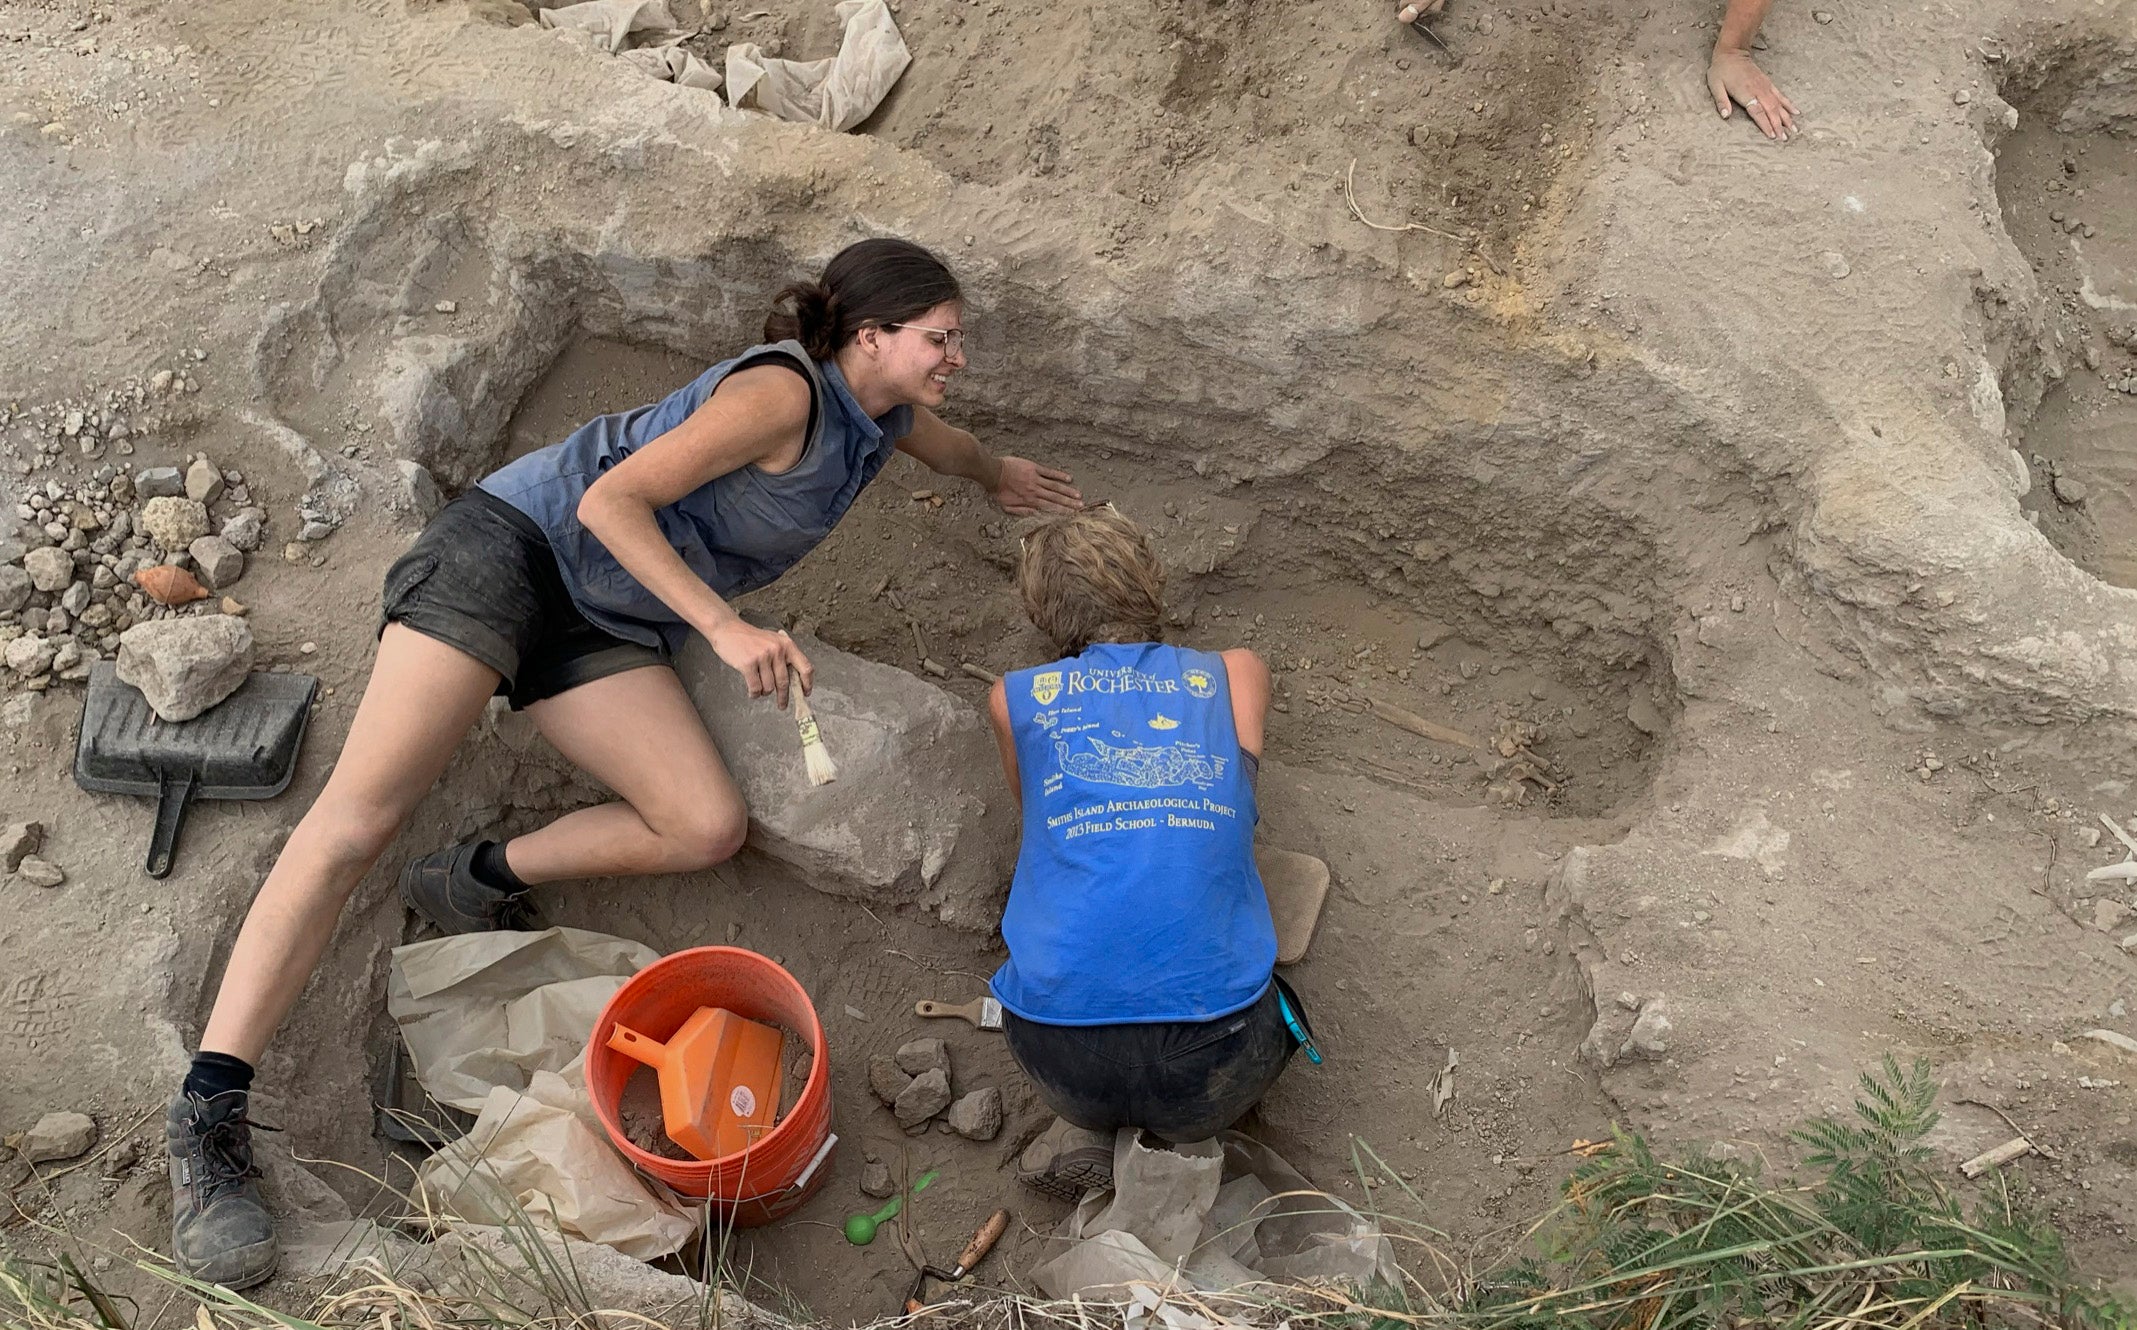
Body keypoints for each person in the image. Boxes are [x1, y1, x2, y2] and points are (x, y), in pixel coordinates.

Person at [163, 238, 1082, 1288]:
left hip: (601, 616)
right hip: (514, 549)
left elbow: (944, 442)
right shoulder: (782, 395)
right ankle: (207, 1114)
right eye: (942, 337)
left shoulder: (885, 418)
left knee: (703, 823)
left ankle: (476, 876)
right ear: (870, 336)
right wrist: (725, 629)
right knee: (356, 823)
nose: (957, 355)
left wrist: (998, 473)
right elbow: (609, 503)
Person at [979, 507, 1307, 1199]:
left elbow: (1033, 805)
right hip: (1218, 1060)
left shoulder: (1013, 701)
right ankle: (1190, 1144)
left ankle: (1096, 1134)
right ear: (1150, 583)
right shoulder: (1236, 674)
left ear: (1043, 613)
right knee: (1266, 1004)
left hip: (1056, 1056)